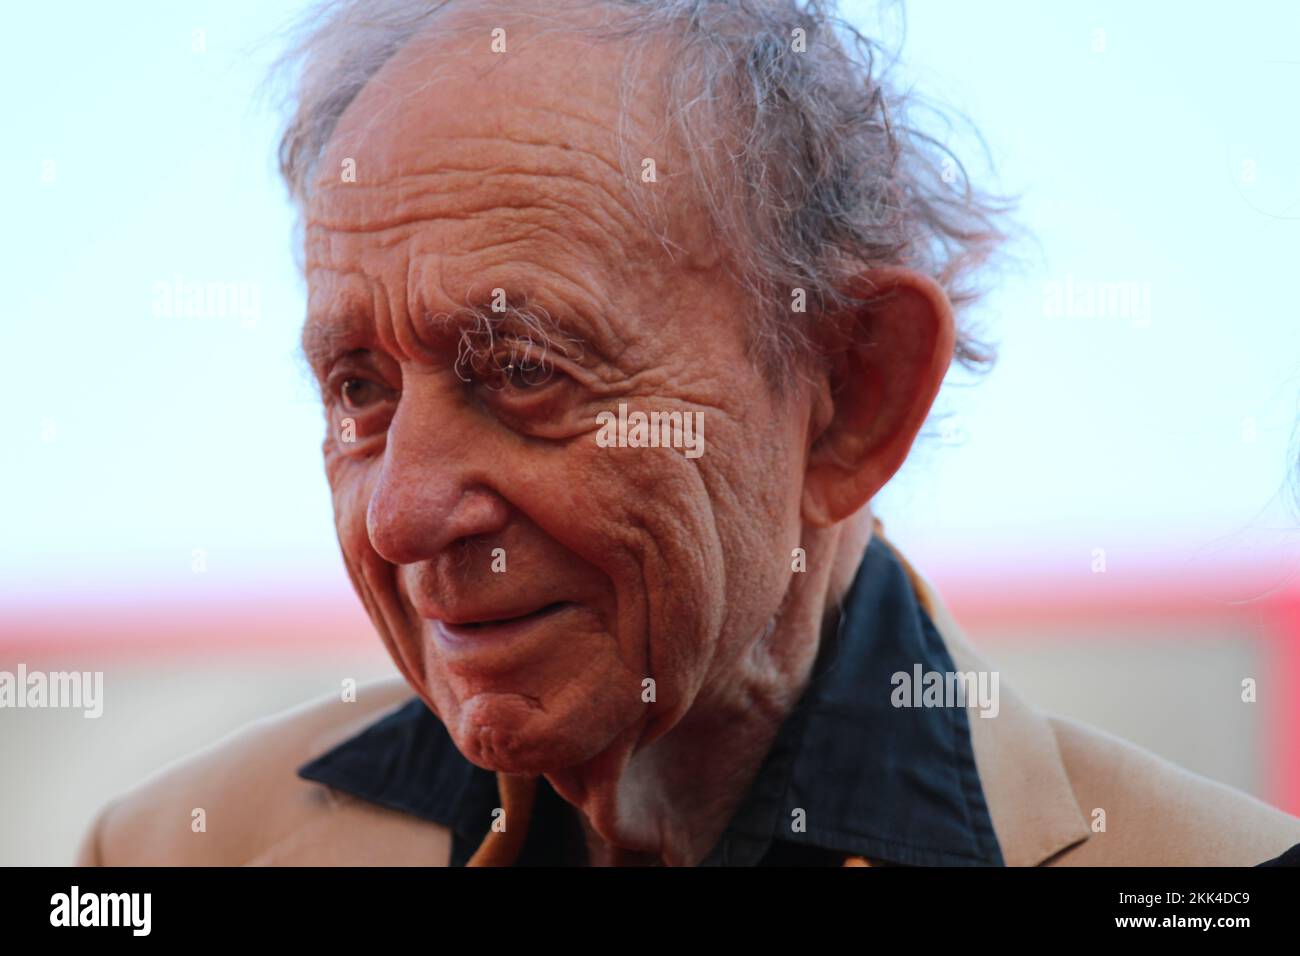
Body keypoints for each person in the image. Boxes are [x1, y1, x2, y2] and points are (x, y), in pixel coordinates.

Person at [76, 0, 1300, 866]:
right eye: (357, 390)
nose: (399, 513)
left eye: (522, 369)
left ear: (849, 397)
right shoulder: (169, 852)